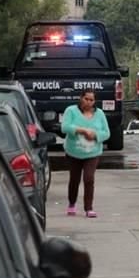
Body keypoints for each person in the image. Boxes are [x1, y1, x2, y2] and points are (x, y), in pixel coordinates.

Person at [61, 89, 110, 218]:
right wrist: (80, 130)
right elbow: (64, 127)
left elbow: (107, 133)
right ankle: (71, 203)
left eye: (91, 100)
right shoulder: (71, 111)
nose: (88, 102)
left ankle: (89, 208)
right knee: (74, 179)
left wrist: (95, 135)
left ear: (95, 101)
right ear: (81, 98)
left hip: (93, 153)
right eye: (86, 99)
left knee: (89, 178)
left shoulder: (99, 114)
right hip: (74, 152)